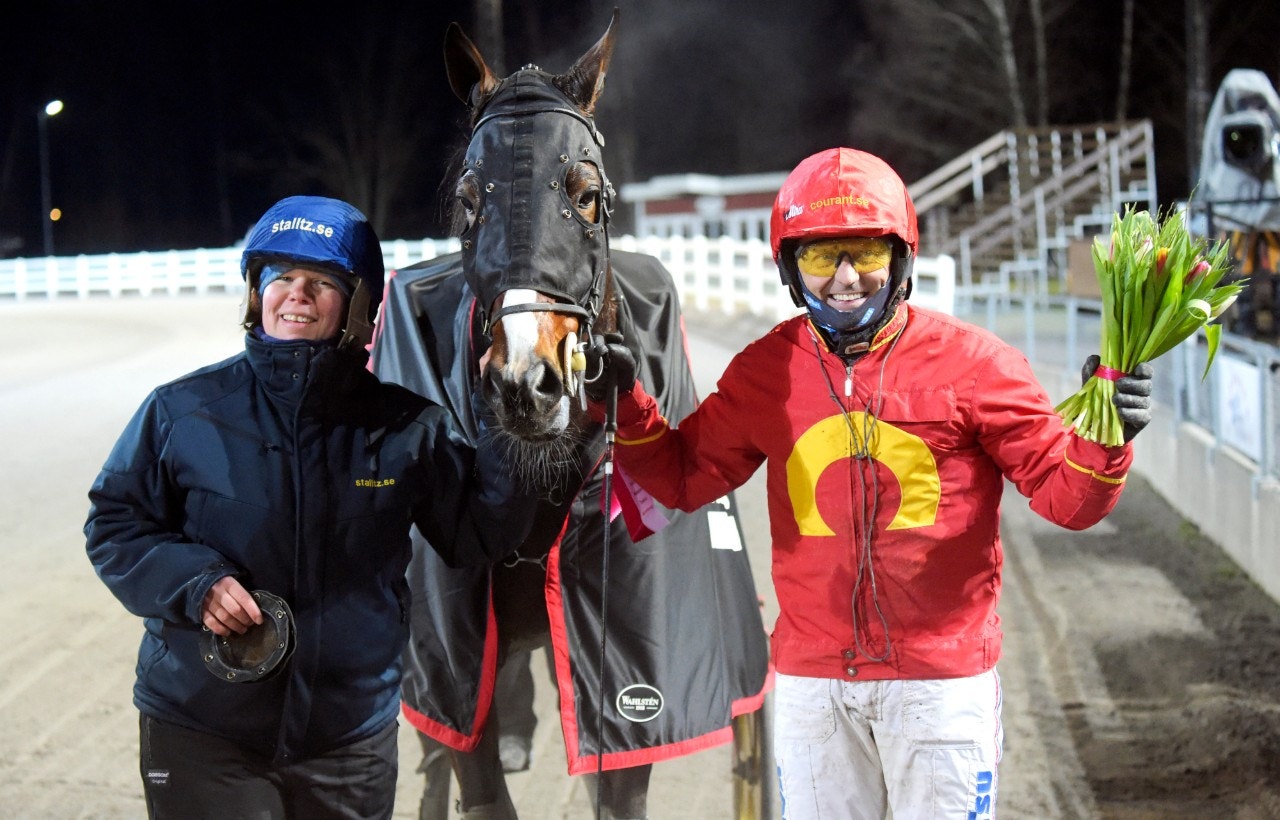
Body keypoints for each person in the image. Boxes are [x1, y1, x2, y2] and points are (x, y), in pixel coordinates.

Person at [584, 147, 1153, 819]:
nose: (846, 279)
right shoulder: (765, 371)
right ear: (791, 268)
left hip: (940, 688)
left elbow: (1068, 501)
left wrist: (1106, 440)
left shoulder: (979, 366)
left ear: (902, 256)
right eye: (822, 257)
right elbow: (680, 479)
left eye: (865, 253)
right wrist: (623, 403)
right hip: (813, 689)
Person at [84, 195, 532, 820]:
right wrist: (197, 584)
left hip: (348, 740)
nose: (296, 294)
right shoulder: (182, 411)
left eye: (322, 282)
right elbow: (115, 523)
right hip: (201, 731)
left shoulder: (407, 428)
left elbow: (480, 535)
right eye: (281, 279)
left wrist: (506, 421)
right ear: (255, 293)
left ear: (358, 308)